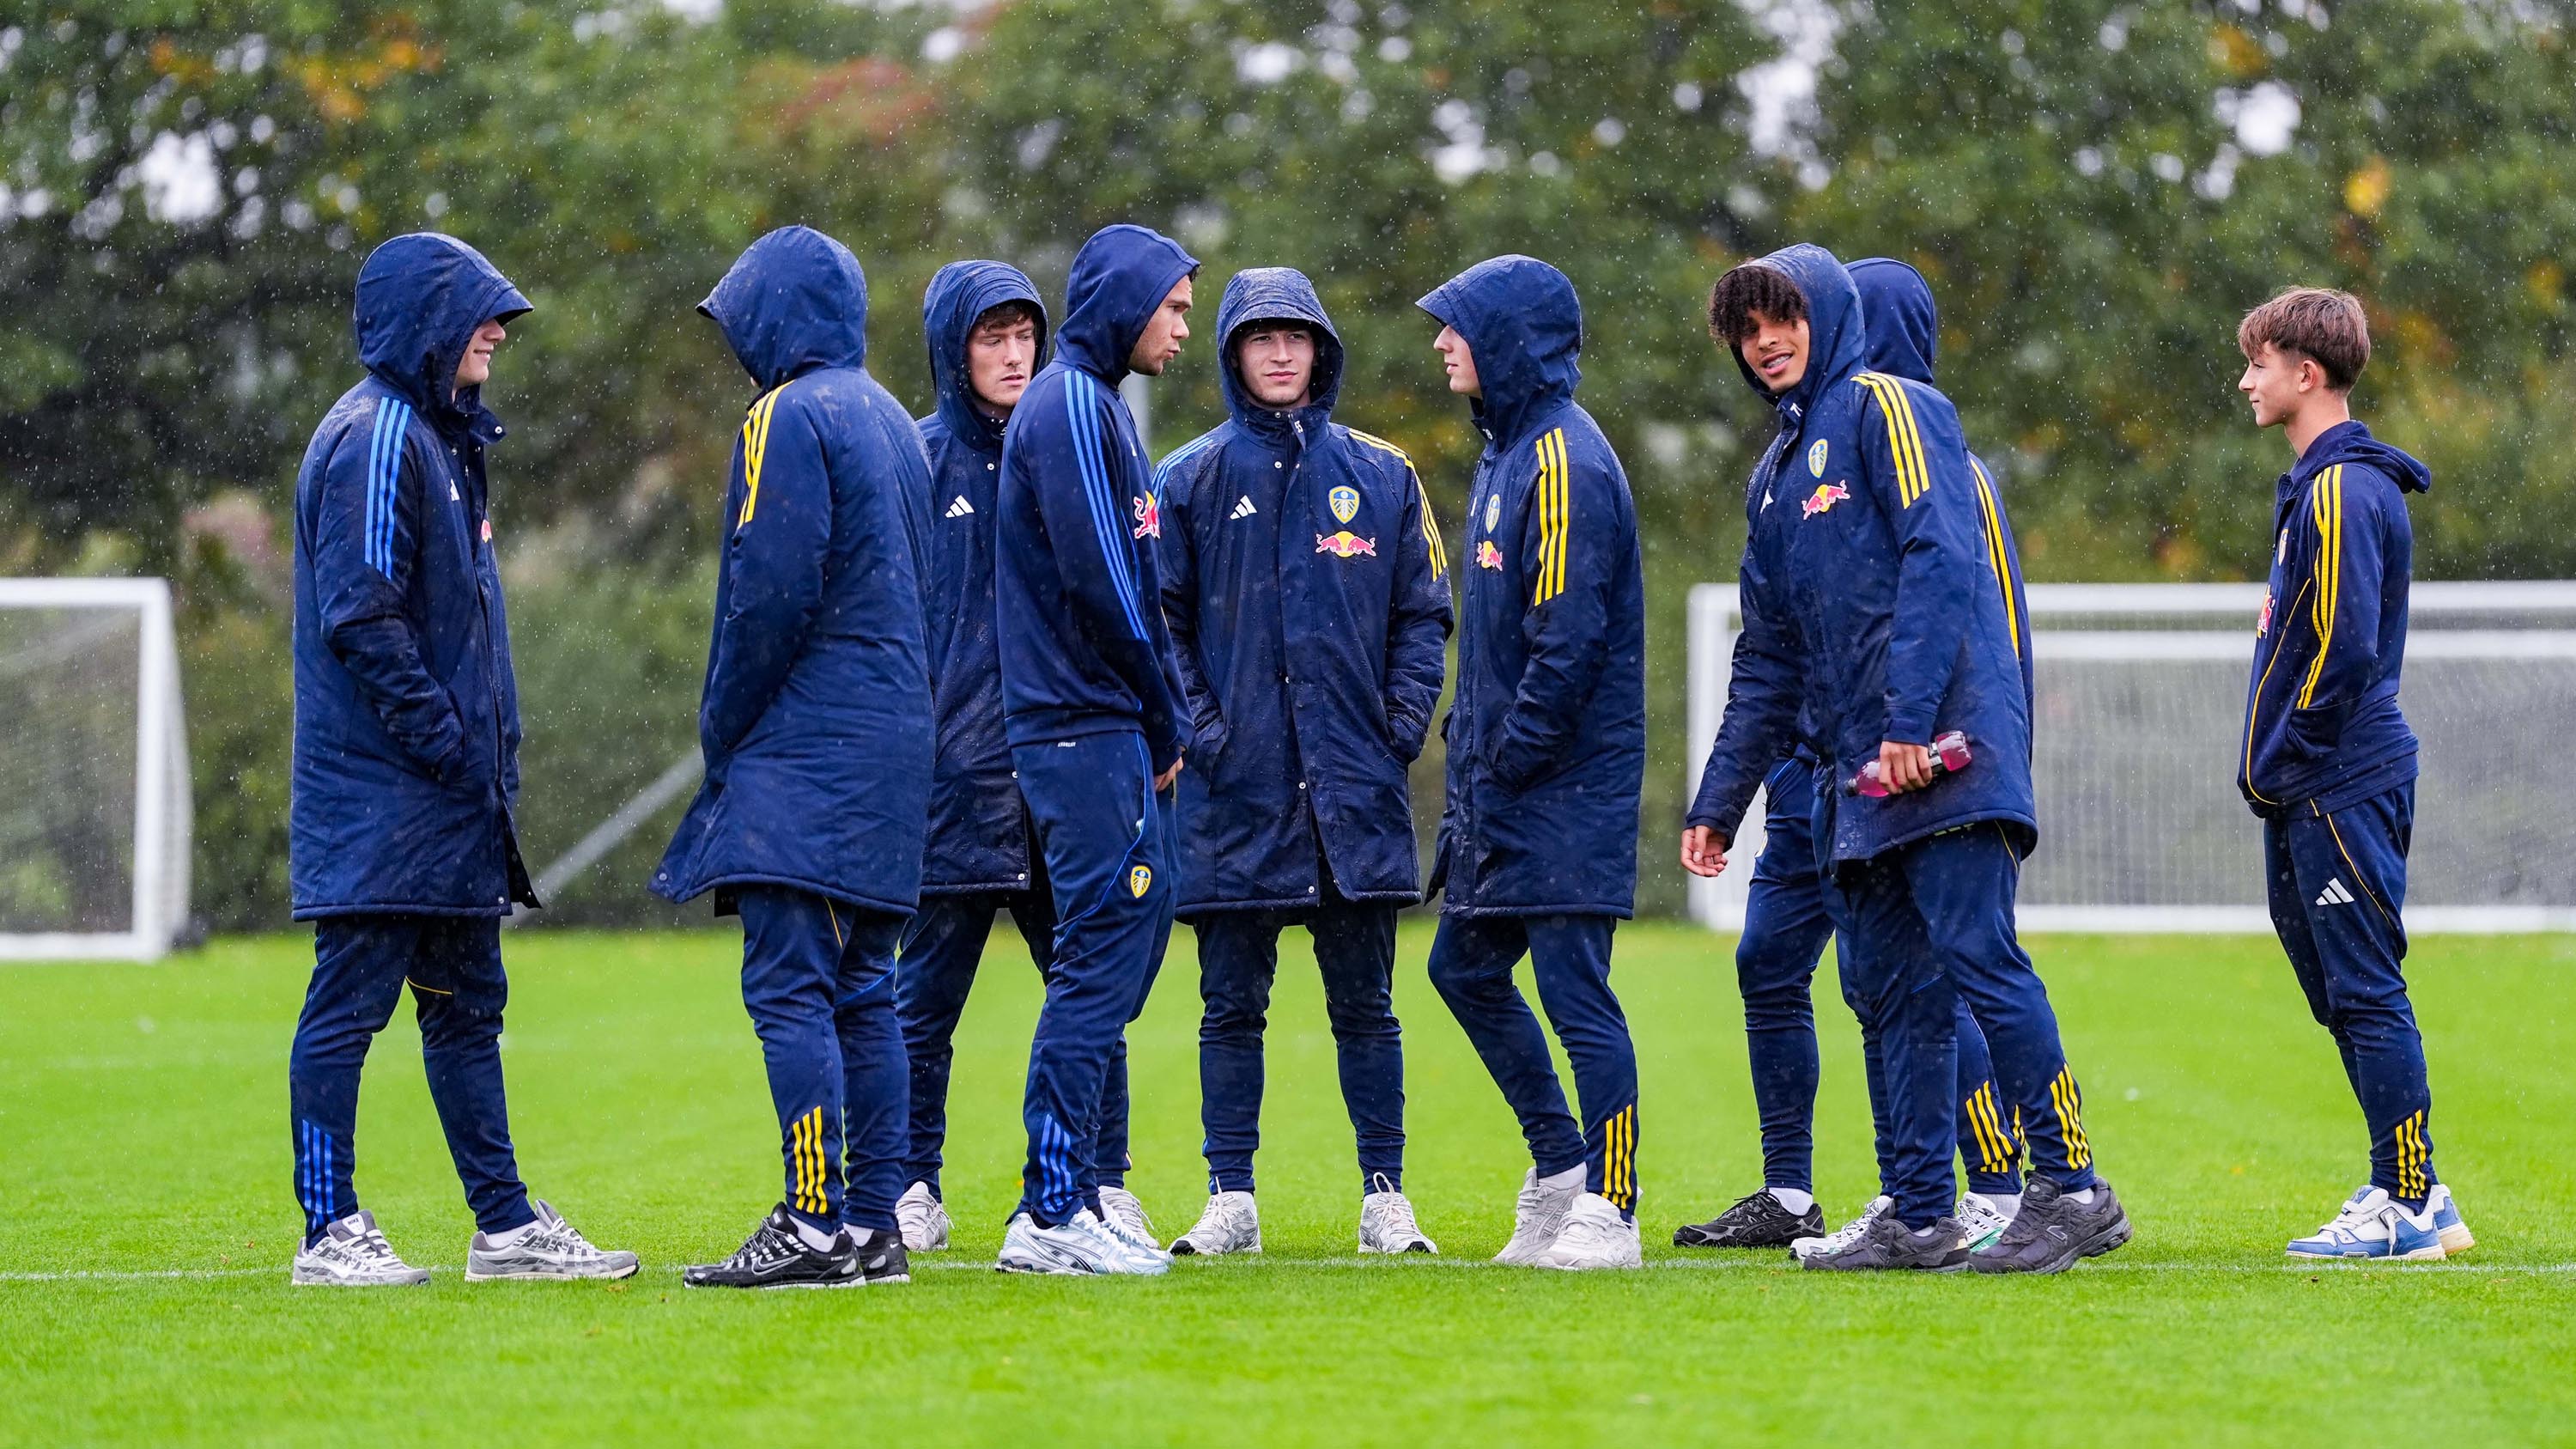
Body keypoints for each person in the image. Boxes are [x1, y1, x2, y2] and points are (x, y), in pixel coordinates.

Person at [1690, 244, 2127, 1273]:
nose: (1767, 343)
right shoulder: (1774, 477)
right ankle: (1921, 1211)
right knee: (1886, 987)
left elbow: (1942, 553)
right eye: (1749, 332)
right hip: (1858, 772)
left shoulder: (1891, 405)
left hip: (1947, 749)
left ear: (1827, 313)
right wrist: (1721, 799)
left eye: (1782, 319)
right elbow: (1769, 654)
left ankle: (2070, 1186)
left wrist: (1911, 719)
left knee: (1981, 957)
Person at [286, 232, 635, 1287]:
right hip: (387, 795)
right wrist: (446, 744)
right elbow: (363, 618)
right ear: (425, 322)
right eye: (483, 314)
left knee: (465, 1007)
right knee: (349, 1004)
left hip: (444, 803)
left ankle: (506, 1228)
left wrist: (479, 766)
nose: (497, 331)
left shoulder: (440, 438)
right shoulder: (378, 434)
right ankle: (327, 1229)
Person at [653, 226, 933, 1289]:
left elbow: (768, 592)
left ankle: (811, 1221)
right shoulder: (898, 426)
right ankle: (873, 1226)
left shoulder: (786, 415)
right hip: (896, 747)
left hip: (807, 751)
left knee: (792, 991)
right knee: (867, 987)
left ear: (777, 314)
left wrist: (723, 724)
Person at [1153, 267, 1453, 1257]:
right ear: (1234, 352)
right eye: (1260, 337)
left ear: (1322, 349)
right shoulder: (1187, 478)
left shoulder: (1385, 474)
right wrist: (1206, 732)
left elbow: (1425, 614)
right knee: (1228, 1006)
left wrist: (1398, 726)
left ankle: (1385, 1194)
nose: (1281, 353)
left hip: (1354, 793)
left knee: (1366, 1004)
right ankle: (1229, 1196)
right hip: (1235, 792)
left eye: (1298, 337)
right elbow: (1162, 627)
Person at [1416, 256, 1649, 1271]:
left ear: (1505, 336)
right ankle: (1559, 1164)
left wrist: (1508, 755)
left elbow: (1570, 641)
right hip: (1503, 787)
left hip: (1565, 786)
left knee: (1574, 989)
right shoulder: (1507, 453)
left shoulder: (1564, 461)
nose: (1439, 343)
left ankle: (1615, 1203)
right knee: (1461, 967)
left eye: (1454, 325)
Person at [2234, 287, 2464, 1262]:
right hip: (2315, 787)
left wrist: (2284, 759)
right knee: (2339, 987)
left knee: (2366, 987)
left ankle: (2405, 1202)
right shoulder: (2320, 488)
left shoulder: (2340, 489)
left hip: (2337, 780)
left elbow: (2346, 651)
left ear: (2306, 373)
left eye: (2258, 363)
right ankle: (2418, 1188)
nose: (2246, 381)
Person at [990, 223, 1198, 1275]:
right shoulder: (1070, 405)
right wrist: (1163, 715)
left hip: (1103, 724)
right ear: (1124, 301)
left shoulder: (1095, 406)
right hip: (1083, 726)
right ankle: (1053, 1206)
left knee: (1119, 948)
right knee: (1097, 960)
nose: (1184, 325)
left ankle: (1071, 1196)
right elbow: (1105, 582)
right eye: (1172, 306)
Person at [888, 260, 1074, 1255]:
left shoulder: (1066, 454)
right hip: (949, 785)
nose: (1013, 357)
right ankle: (912, 1180)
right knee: (921, 1006)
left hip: (1055, 777)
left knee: (1085, 989)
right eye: (991, 339)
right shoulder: (912, 464)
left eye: (1025, 337)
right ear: (953, 350)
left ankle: (1092, 1183)